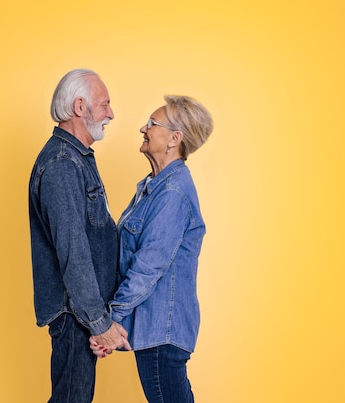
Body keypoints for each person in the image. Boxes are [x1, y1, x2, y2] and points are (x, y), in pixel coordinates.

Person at [90, 95, 214, 402]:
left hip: (163, 333)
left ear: (175, 138)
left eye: (152, 123)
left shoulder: (172, 193)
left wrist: (111, 322)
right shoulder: (153, 187)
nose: (142, 129)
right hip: (154, 332)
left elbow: (148, 267)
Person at [28, 68, 131, 403]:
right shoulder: (61, 164)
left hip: (81, 314)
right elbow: (74, 252)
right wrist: (99, 323)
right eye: (105, 104)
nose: (111, 113)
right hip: (75, 315)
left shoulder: (77, 158)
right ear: (80, 106)